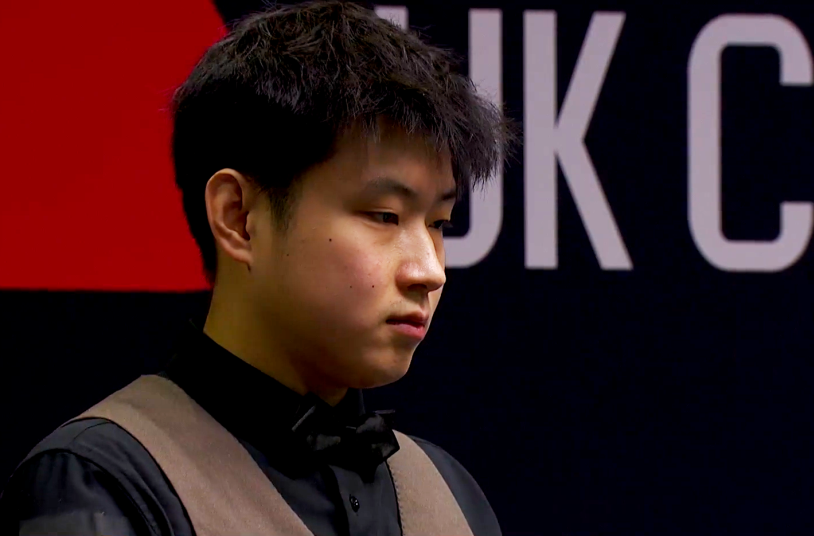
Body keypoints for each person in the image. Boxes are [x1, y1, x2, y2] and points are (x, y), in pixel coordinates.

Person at [0, 2, 512, 535]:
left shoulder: (452, 497)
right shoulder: (103, 483)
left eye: (439, 223)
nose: (429, 270)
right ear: (238, 218)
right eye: (385, 215)